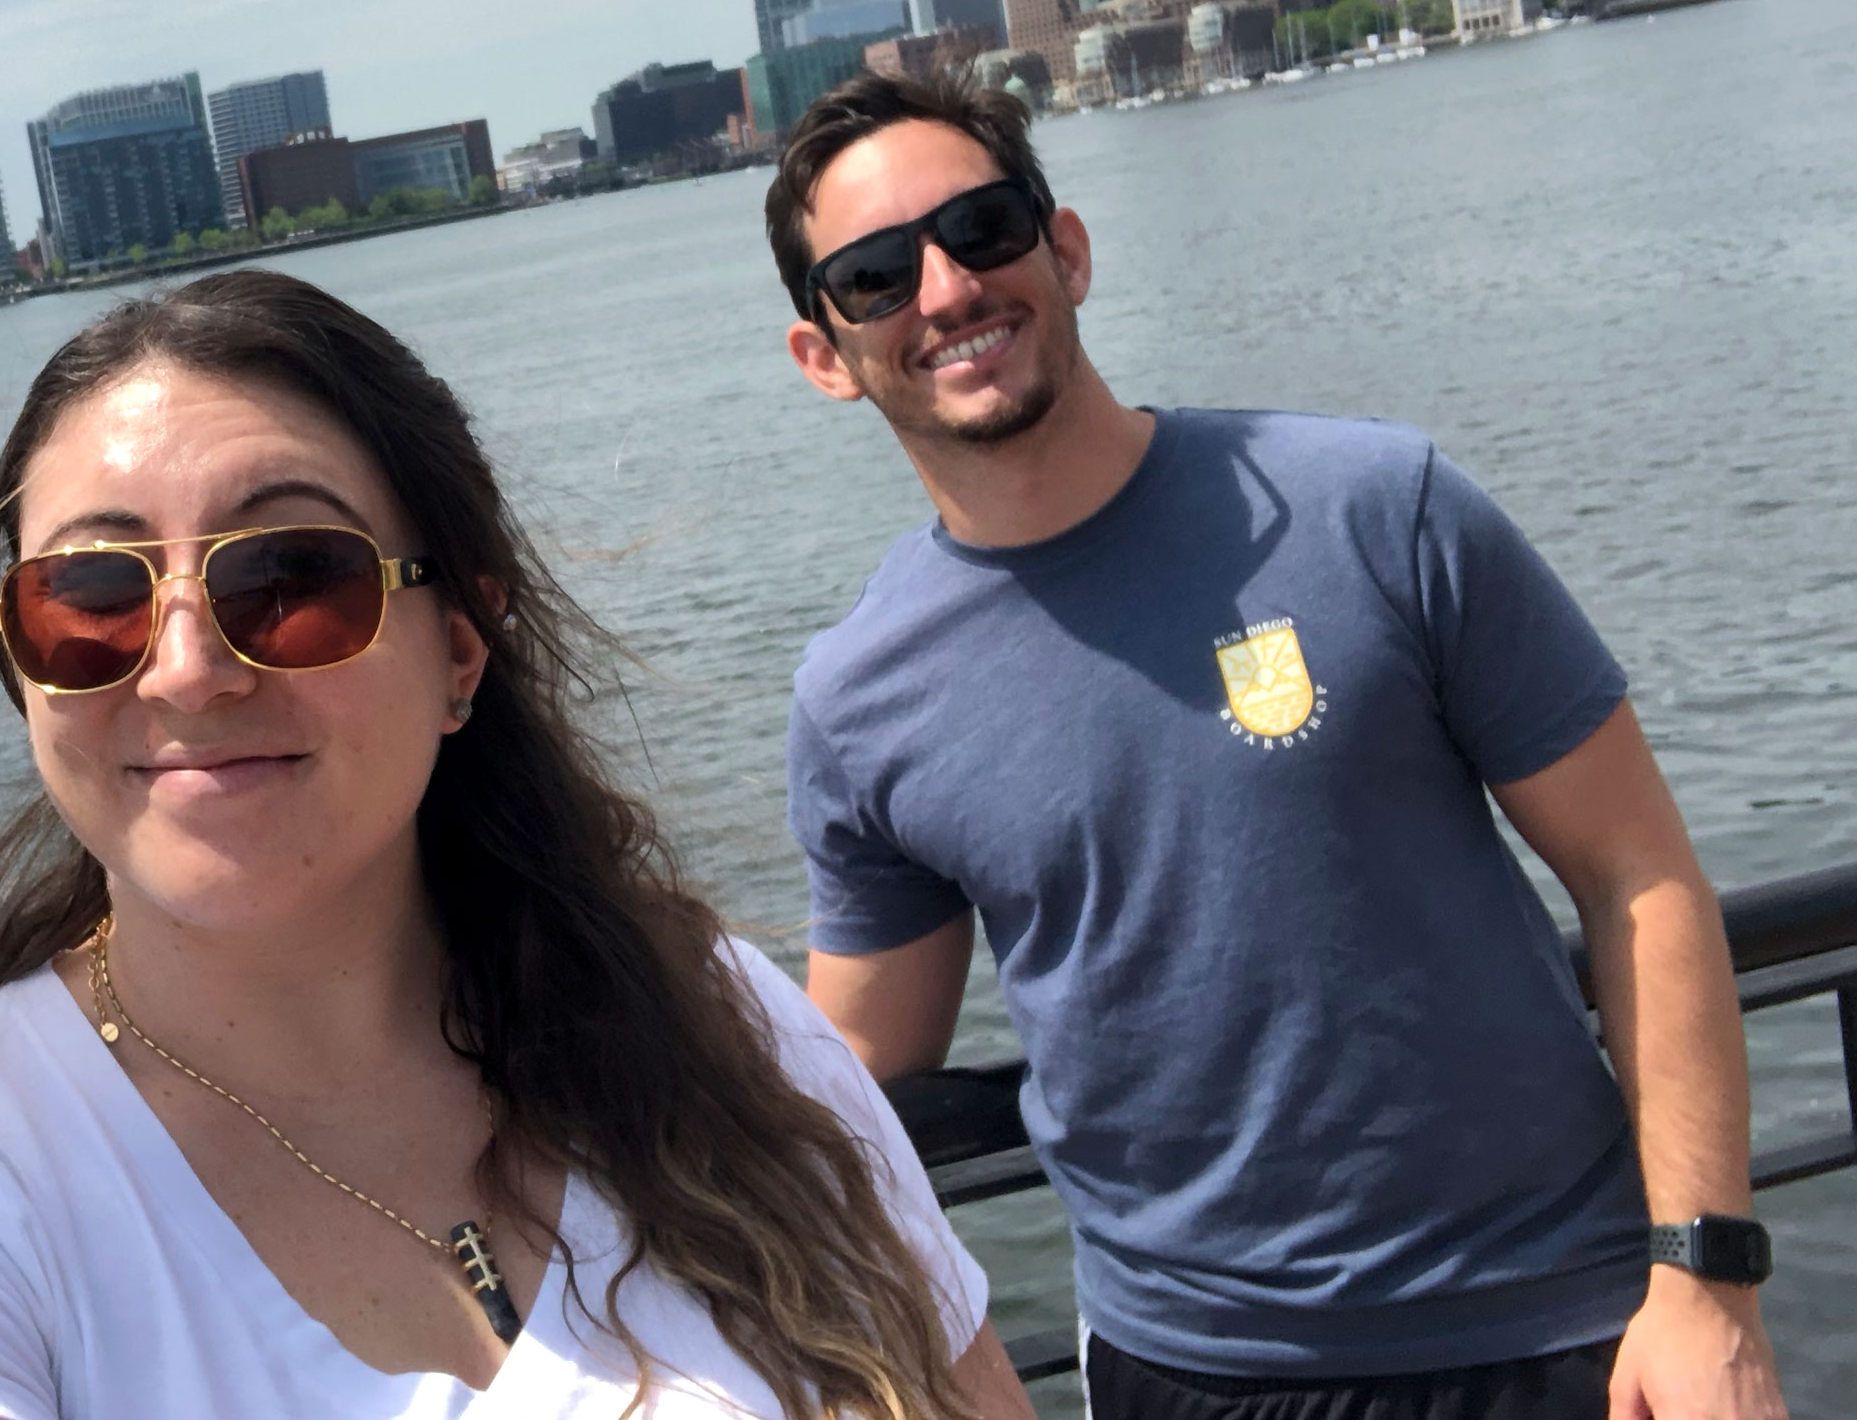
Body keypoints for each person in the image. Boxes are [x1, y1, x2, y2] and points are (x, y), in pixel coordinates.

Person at [0, 269, 1035, 1420]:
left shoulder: (719, 1025)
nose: (185, 670)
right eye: (91, 597)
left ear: (460, 650)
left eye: (291, 579)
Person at [762, 69, 1789, 1420]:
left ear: (1066, 251)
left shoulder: (1375, 506)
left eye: (984, 229)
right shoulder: (857, 697)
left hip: (1568, 1326)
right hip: (1187, 1373)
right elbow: (850, 1069)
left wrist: (1705, 1279)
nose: (948, 290)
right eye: (877, 276)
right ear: (824, 356)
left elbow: (1639, 875)